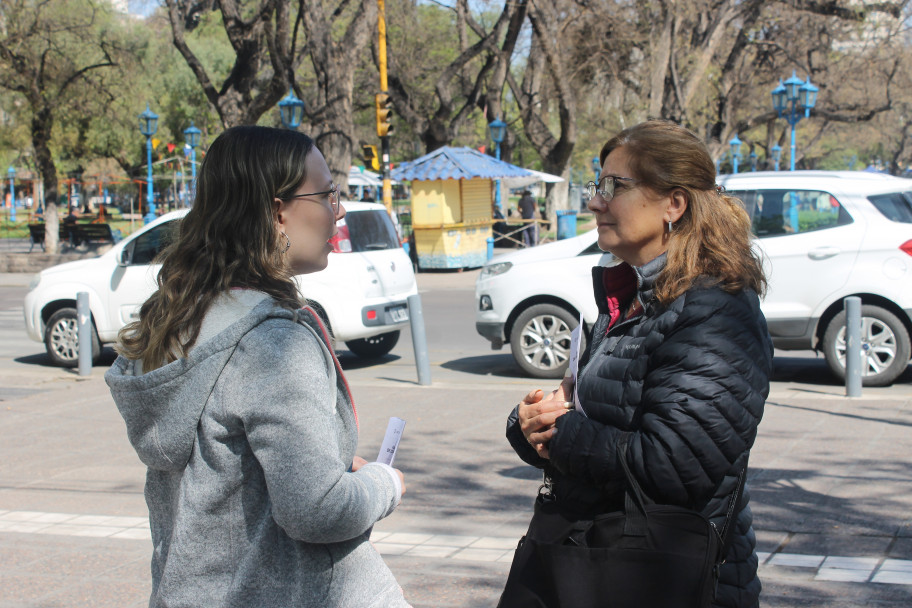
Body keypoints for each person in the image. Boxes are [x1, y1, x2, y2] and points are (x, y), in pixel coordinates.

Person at [106, 126, 410, 608]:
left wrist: (322, 465)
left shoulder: (180, 319)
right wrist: (383, 484)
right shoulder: (272, 342)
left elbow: (229, 471)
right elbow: (316, 510)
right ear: (276, 212)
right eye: (328, 194)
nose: (340, 209)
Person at [501, 119, 773, 608]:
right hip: (601, 561)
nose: (595, 202)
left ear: (674, 203)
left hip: (672, 579)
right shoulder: (631, 295)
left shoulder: (715, 308)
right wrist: (531, 425)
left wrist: (562, 432)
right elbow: (599, 413)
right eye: (597, 186)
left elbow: (677, 462)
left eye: (615, 187)